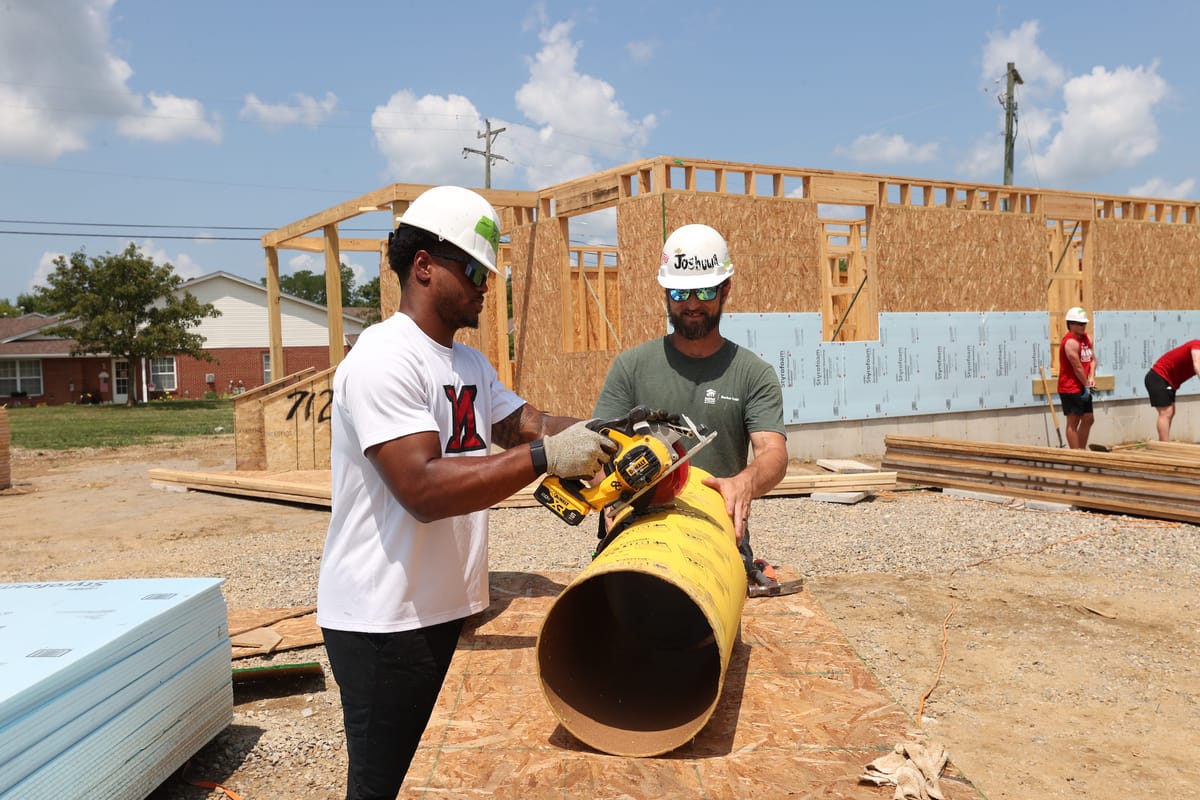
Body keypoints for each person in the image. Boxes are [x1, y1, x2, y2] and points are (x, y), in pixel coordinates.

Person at [316, 185, 617, 799]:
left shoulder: (468, 364)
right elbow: (421, 488)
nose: (487, 284)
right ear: (423, 266)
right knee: (382, 785)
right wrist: (541, 458)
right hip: (382, 623)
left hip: (441, 609)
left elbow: (525, 424)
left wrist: (612, 435)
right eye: (475, 269)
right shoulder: (383, 359)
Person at [591, 223, 789, 590]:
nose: (692, 304)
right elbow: (597, 457)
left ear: (726, 290)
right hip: (636, 541)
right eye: (680, 293)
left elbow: (772, 453)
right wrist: (609, 488)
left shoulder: (752, 373)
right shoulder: (632, 367)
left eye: (704, 290)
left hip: (714, 543)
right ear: (665, 291)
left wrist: (744, 482)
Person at [1056, 306, 1097, 449]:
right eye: (1080, 324)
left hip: (1084, 384)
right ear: (1071, 324)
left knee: (1088, 418)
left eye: (1084, 323)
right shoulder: (1070, 342)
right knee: (1074, 421)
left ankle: (1081, 449)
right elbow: (1077, 367)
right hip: (1070, 387)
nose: (1083, 326)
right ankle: (1076, 454)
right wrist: (1086, 384)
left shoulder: (1087, 339)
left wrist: (1091, 377)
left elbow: (1092, 360)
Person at [1144, 338, 1200, 442]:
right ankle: (1164, 446)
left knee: (1170, 412)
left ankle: (1163, 444)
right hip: (1158, 377)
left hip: (1168, 382)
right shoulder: (1197, 345)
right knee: (1166, 412)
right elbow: (1197, 364)